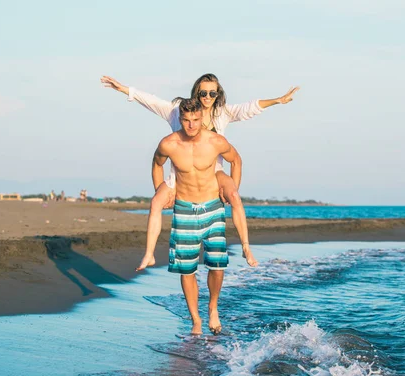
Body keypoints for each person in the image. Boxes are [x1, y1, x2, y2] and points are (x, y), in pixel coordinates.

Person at [101, 74, 299, 271]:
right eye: (203, 92)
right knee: (156, 202)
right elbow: (152, 101)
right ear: (197, 92)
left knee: (235, 196)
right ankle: (149, 254)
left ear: (217, 94)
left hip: (215, 171)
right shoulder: (177, 112)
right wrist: (126, 90)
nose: (207, 96)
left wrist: (278, 100)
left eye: (212, 93)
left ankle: (246, 247)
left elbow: (249, 108)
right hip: (180, 173)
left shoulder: (223, 113)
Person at [138, 98, 242, 335]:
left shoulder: (216, 142)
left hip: (212, 207)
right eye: (186, 120)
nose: (191, 125)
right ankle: (196, 320)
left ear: (202, 119)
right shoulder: (169, 143)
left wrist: (230, 190)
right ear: (181, 119)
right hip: (184, 208)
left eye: (195, 120)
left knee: (217, 265)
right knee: (187, 270)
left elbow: (236, 160)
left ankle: (213, 307)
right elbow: (157, 163)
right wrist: (161, 191)